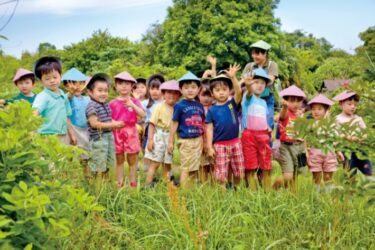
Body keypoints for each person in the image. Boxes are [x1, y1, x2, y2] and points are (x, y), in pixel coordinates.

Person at [205, 64, 245, 187]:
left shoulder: (232, 104)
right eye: (217, 90)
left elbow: (238, 92)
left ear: (229, 90)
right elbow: (209, 129)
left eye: (224, 90)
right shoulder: (211, 110)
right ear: (212, 93)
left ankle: (237, 191)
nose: (221, 93)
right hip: (219, 146)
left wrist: (233, 78)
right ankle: (222, 195)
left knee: (239, 172)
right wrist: (209, 147)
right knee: (220, 175)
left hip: (235, 143)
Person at [85, 73, 125, 186]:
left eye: (106, 90)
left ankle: (106, 186)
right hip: (98, 139)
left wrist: (116, 123)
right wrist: (113, 125)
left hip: (108, 137)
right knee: (98, 165)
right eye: (100, 90)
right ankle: (97, 188)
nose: (103, 93)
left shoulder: (105, 104)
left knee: (108, 163)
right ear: (90, 92)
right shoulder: (91, 106)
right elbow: (94, 123)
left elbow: (108, 120)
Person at [168, 71, 205, 188]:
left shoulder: (200, 105)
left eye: (193, 87)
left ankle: (191, 188)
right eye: (187, 87)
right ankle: (184, 191)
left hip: (198, 139)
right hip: (186, 140)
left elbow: (202, 123)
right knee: (186, 167)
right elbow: (174, 123)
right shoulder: (179, 105)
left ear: (198, 89)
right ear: (181, 89)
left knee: (195, 166)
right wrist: (170, 141)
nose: (190, 90)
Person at [109, 72, 146, 188]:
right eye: (120, 83)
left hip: (131, 131)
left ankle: (133, 184)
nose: (124, 86)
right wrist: (113, 123)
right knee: (119, 159)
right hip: (117, 132)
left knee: (132, 160)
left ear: (132, 86)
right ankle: (119, 183)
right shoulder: (112, 103)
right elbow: (107, 118)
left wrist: (132, 105)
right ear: (116, 86)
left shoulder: (135, 101)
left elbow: (142, 115)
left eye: (127, 84)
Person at [144, 80, 181, 186]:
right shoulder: (159, 107)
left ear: (179, 95)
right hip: (159, 135)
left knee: (167, 162)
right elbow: (151, 124)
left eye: (175, 93)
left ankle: (168, 183)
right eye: (169, 92)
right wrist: (150, 140)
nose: (172, 95)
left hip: (170, 136)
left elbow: (176, 125)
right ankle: (147, 184)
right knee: (155, 163)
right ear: (164, 94)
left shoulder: (177, 108)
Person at [241, 68, 273, 191]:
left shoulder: (264, 102)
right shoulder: (248, 97)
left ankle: (267, 192)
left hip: (263, 136)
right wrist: (248, 86)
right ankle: (252, 193)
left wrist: (267, 127)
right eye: (256, 82)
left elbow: (261, 118)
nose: (259, 85)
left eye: (262, 83)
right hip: (249, 136)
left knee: (266, 165)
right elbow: (249, 93)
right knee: (250, 166)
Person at [32, 56, 76, 145]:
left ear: (61, 76)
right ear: (41, 81)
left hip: (62, 134)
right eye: (47, 79)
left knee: (63, 158)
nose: (52, 81)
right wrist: (31, 132)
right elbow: (35, 113)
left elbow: (66, 117)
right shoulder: (43, 96)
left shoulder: (62, 94)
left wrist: (72, 134)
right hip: (47, 136)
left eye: (55, 77)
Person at [334, 91, 372, 178]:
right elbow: (336, 136)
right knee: (350, 175)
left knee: (368, 171)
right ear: (341, 104)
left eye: (355, 105)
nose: (353, 107)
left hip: (361, 150)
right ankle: (351, 190)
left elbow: (365, 132)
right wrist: (349, 138)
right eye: (349, 104)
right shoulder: (338, 119)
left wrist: (362, 138)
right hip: (348, 152)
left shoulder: (358, 119)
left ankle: (370, 188)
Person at [242, 40, 278, 131]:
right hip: (251, 98)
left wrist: (256, 80)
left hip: (266, 98)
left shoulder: (272, 65)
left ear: (265, 53)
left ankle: (267, 144)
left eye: (257, 54)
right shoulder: (249, 66)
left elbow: (270, 80)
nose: (254, 56)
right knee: (250, 123)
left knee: (268, 124)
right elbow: (242, 81)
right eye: (253, 53)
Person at [276, 85, 307, 190]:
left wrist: (305, 149)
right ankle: (278, 183)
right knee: (288, 176)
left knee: (297, 172)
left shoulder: (301, 116)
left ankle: (293, 194)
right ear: (286, 101)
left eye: (298, 101)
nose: (295, 104)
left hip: (299, 147)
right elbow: (282, 116)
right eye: (292, 101)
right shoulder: (286, 113)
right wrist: (284, 107)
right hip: (286, 147)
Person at [62, 67, 91, 176]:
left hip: (85, 129)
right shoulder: (66, 97)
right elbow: (67, 101)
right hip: (71, 128)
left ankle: (86, 176)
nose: (76, 87)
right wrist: (71, 93)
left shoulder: (87, 99)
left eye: (80, 83)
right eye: (73, 83)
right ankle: (65, 176)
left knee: (84, 155)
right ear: (66, 85)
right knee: (68, 155)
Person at [306, 94, 338, 193]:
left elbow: (335, 138)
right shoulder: (311, 124)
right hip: (315, 152)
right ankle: (316, 196)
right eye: (314, 109)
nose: (316, 111)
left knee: (328, 177)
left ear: (326, 110)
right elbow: (306, 139)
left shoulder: (332, 123)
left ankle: (329, 197)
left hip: (329, 152)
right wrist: (306, 152)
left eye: (319, 109)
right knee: (316, 177)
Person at [141, 74, 164, 172]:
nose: (154, 91)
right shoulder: (146, 103)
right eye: (152, 88)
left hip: (163, 131)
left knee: (164, 151)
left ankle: (167, 173)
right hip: (149, 130)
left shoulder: (166, 102)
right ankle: (148, 172)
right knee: (148, 149)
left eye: (158, 88)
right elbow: (136, 108)